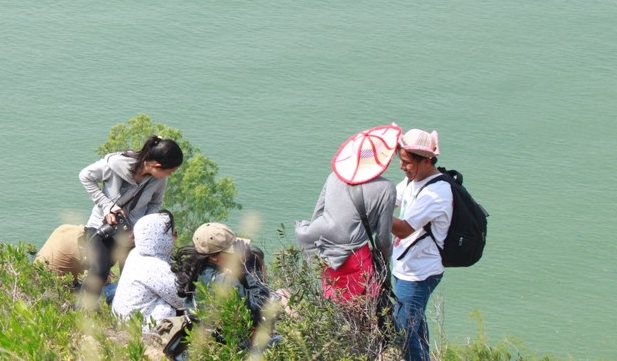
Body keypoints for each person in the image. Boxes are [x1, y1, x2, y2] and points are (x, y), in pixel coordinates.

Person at [295, 124, 400, 301]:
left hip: (326, 257)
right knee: (361, 315)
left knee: (334, 309)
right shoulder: (386, 189)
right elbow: (382, 239)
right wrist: (384, 263)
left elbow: (317, 215)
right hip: (354, 260)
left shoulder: (333, 176)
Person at [78, 136, 184, 308]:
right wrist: (107, 206)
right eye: (169, 171)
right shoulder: (114, 164)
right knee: (100, 270)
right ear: (157, 166)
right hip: (102, 225)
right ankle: (81, 313)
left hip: (132, 233)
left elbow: (155, 203)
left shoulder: (159, 179)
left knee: (131, 272)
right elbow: (85, 176)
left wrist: (142, 229)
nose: (169, 176)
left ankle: (120, 314)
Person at [391, 129, 453, 361]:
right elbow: (391, 199)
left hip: (420, 272)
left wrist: (376, 213)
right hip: (407, 266)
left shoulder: (437, 193)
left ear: (426, 160)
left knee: (404, 332)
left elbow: (404, 228)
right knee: (414, 326)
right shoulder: (413, 180)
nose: (402, 167)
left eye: (406, 162)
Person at [173, 222, 276, 350]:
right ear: (213, 257)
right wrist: (250, 269)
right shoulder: (223, 281)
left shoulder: (196, 271)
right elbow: (262, 306)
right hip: (229, 349)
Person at [111, 211, 183, 330]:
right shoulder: (155, 266)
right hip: (139, 332)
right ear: (162, 237)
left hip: (122, 323)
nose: (175, 236)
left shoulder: (136, 254)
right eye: (173, 233)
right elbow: (182, 300)